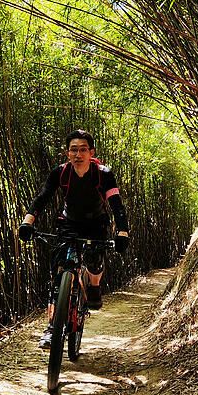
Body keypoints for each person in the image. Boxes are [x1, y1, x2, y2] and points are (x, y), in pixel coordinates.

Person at [19, 129, 130, 348]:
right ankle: (52, 328)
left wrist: (122, 232)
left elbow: (116, 205)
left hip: (96, 223)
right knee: (58, 274)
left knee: (95, 260)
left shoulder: (103, 174)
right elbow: (42, 198)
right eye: (73, 150)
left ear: (91, 152)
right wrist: (27, 222)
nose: (78, 154)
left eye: (83, 150)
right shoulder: (60, 173)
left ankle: (94, 286)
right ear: (67, 152)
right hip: (68, 222)